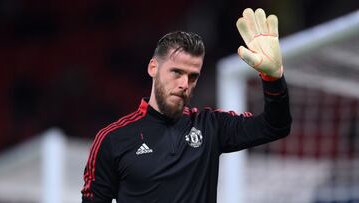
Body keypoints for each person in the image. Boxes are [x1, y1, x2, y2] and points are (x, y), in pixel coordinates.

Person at [81, 8, 292, 203]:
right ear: (153, 68)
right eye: (177, 72)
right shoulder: (113, 139)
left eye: (193, 76)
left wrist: (273, 78)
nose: (184, 84)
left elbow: (275, 126)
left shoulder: (210, 126)